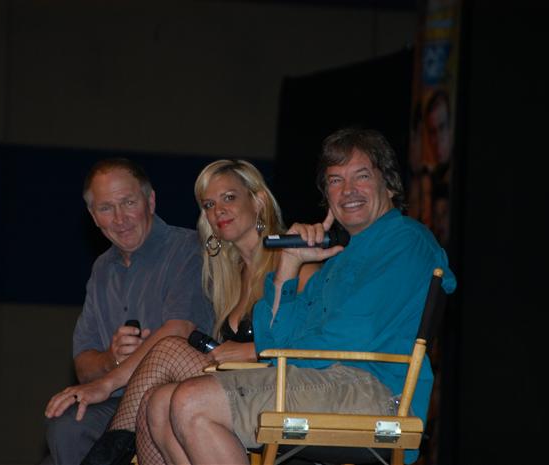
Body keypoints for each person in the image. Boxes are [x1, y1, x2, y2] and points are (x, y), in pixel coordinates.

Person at [145, 128, 457, 465]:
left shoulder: (405, 240)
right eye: (335, 180)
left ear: (390, 185)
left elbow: (353, 334)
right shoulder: (338, 260)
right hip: (325, 380)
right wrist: (289, 265)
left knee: (191, 401)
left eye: (362, 176)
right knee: (161, 403)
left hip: (372, 389)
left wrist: (282, 355)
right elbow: (273, 339)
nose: (348, 190)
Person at [79, 159, 318, 465]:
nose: (218, 210)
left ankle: (104, 456)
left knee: (169, 349)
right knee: (156, 400)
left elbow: (321, 343)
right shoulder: (228, 279)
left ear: (258, 201)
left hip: (284, 393)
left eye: (229, 197)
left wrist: (252, 350)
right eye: (209, 204)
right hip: (234, 390)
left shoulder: (298, 263)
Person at [42, 158, 213, 465]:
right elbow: (83, 365)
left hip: (174, 397)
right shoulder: (102, 269)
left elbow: (178, 330)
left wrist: (107, 381)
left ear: (150, 201)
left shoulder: (188, 248)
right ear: (93, 216)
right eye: (106, 208)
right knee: (67, 424)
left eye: (128, 203)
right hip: (115, 403)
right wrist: (111, 357)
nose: (120, 218)